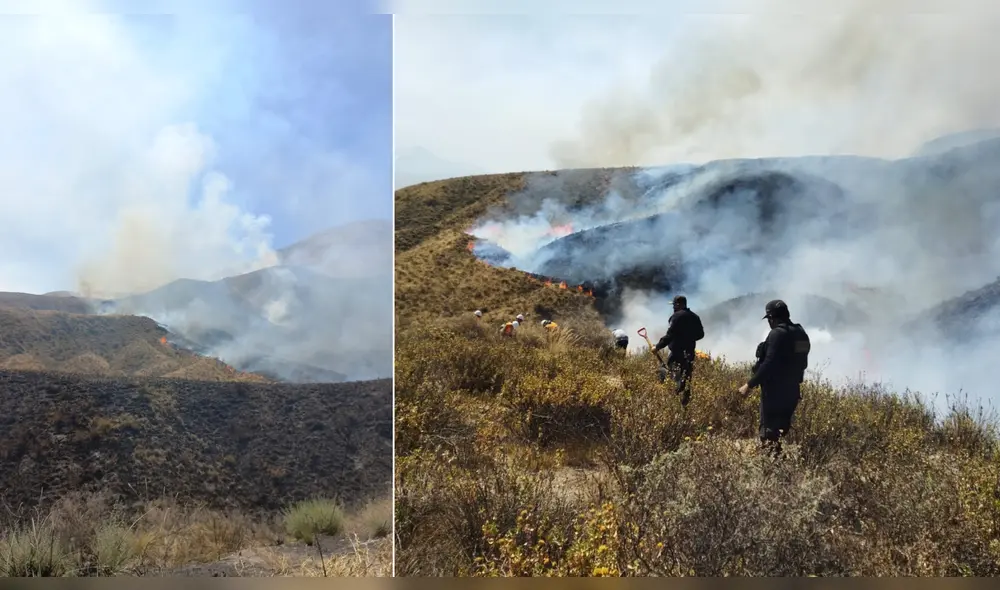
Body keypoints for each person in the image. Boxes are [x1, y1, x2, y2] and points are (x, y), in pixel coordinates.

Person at [738, 299, 811, 458]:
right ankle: (777, 461)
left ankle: (770, 467)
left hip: (775, 391)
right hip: (792, 391)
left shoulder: (777, 334)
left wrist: (749, 385)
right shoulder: (801, 333)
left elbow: (769, 364)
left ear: (772, 318)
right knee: (780, 428)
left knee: (769, 430)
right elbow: (803, 363)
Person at [653, 295, 705, 407]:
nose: (673, 308)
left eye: (674, 305)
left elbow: (670, 335)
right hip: (690, 354)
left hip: (677, 354)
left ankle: (672, 404)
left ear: (678, 304)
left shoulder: (676, 317)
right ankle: (684, 405)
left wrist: (657, 347)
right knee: (686, 378)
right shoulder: (695, 317)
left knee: (673, 378)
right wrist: (689, 338)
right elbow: (701, 334)